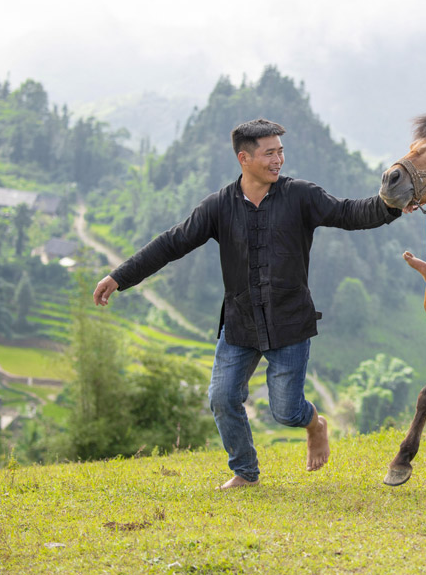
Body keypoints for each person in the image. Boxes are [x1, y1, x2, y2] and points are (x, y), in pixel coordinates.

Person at [92, 118, 401, 489]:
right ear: (244, 158)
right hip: (240, 325)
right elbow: (170, 243)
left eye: (280, 152)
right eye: (269, 153)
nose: (278, 160)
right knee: (222, 398)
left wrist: (389, 204)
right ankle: (245, 472)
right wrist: (119, 277)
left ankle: (314, 423)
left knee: (286, 411)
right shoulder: (218, 206)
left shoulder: (301, 195)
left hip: (290, 323)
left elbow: (349, 213)